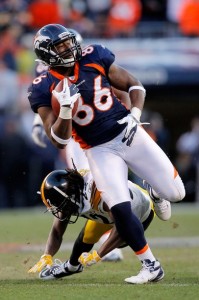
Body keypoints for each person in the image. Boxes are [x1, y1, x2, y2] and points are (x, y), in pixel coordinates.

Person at [27, 24, 185, 284]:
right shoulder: (42, 86)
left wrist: (135, 116)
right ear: (47, 53)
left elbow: (135, 86)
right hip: (97, 149)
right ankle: (151, 265)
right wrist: (65, 111)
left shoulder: (94, 56)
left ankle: (155, 190)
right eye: (61, 46)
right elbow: (59, 140)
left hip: (126, 131)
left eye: (68, 42)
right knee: (119, 206)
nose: (69, 48)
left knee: (176, 193)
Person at [28, 167, 163, 280]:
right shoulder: (73, 190)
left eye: (59, 205)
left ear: (68, 197)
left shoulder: (99, 193)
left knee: (123, 240)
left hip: (140, 210)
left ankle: (156, 197)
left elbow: (122, 226)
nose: (59, 210)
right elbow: (57, 231)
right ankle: (71, 266)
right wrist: (47, 255)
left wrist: (98, 254)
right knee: (88, 235)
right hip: (109, 214)